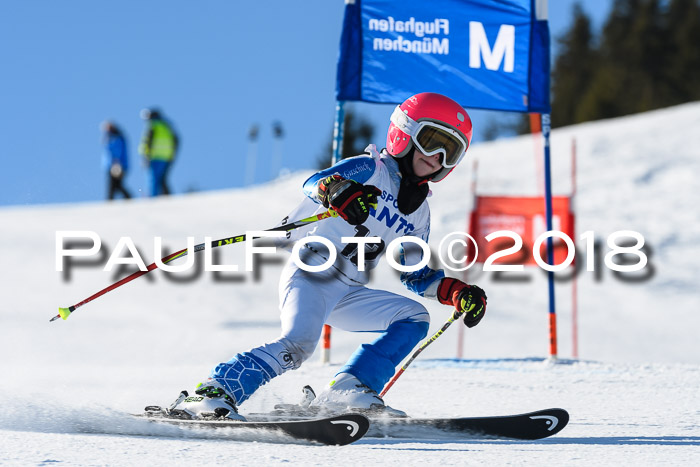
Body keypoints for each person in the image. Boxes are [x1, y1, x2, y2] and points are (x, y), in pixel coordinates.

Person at [170, 92, 488, 420]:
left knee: (414, 317)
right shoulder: (371, 169)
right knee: (299, 343)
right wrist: (337, 191)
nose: (438, 157)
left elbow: (415, 274)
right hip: (312, 273)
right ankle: (212, 393)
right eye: (432, 140)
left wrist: (456, 292)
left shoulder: (419, 213)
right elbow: (315, 183)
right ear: (403, 132)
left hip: (348, 291)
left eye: (450, 152)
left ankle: (348, 391)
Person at [138, 108, 178, 196]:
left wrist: (145, 155)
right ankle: (168, 196)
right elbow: (176, 140)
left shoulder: (152, 125)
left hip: (154, 156)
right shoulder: (167, 126)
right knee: (162, 179)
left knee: (153, 179)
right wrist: (172, 155)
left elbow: (147, 141)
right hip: (166, 157)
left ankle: (153, 197)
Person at [101, 121, 132, 200]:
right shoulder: (109, 138)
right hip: (111, 165)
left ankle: (127, 197)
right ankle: (126, 197)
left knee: (114, 185)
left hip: (117, 165)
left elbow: (117, 151)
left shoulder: (116, 138)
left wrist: (116, 162)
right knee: (115, 185)